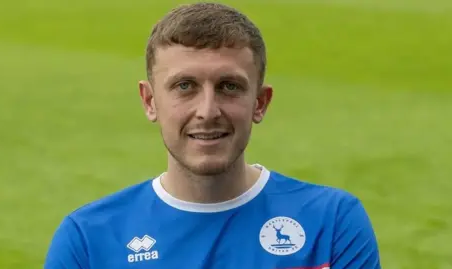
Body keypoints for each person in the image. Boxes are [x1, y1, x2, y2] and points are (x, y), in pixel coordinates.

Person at [44, 2, 381, 269]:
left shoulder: (331, 222)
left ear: (260, 103)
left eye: (229, 87)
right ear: (150, 101)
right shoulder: (89, 239)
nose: (207, 111)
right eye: (185, 86)